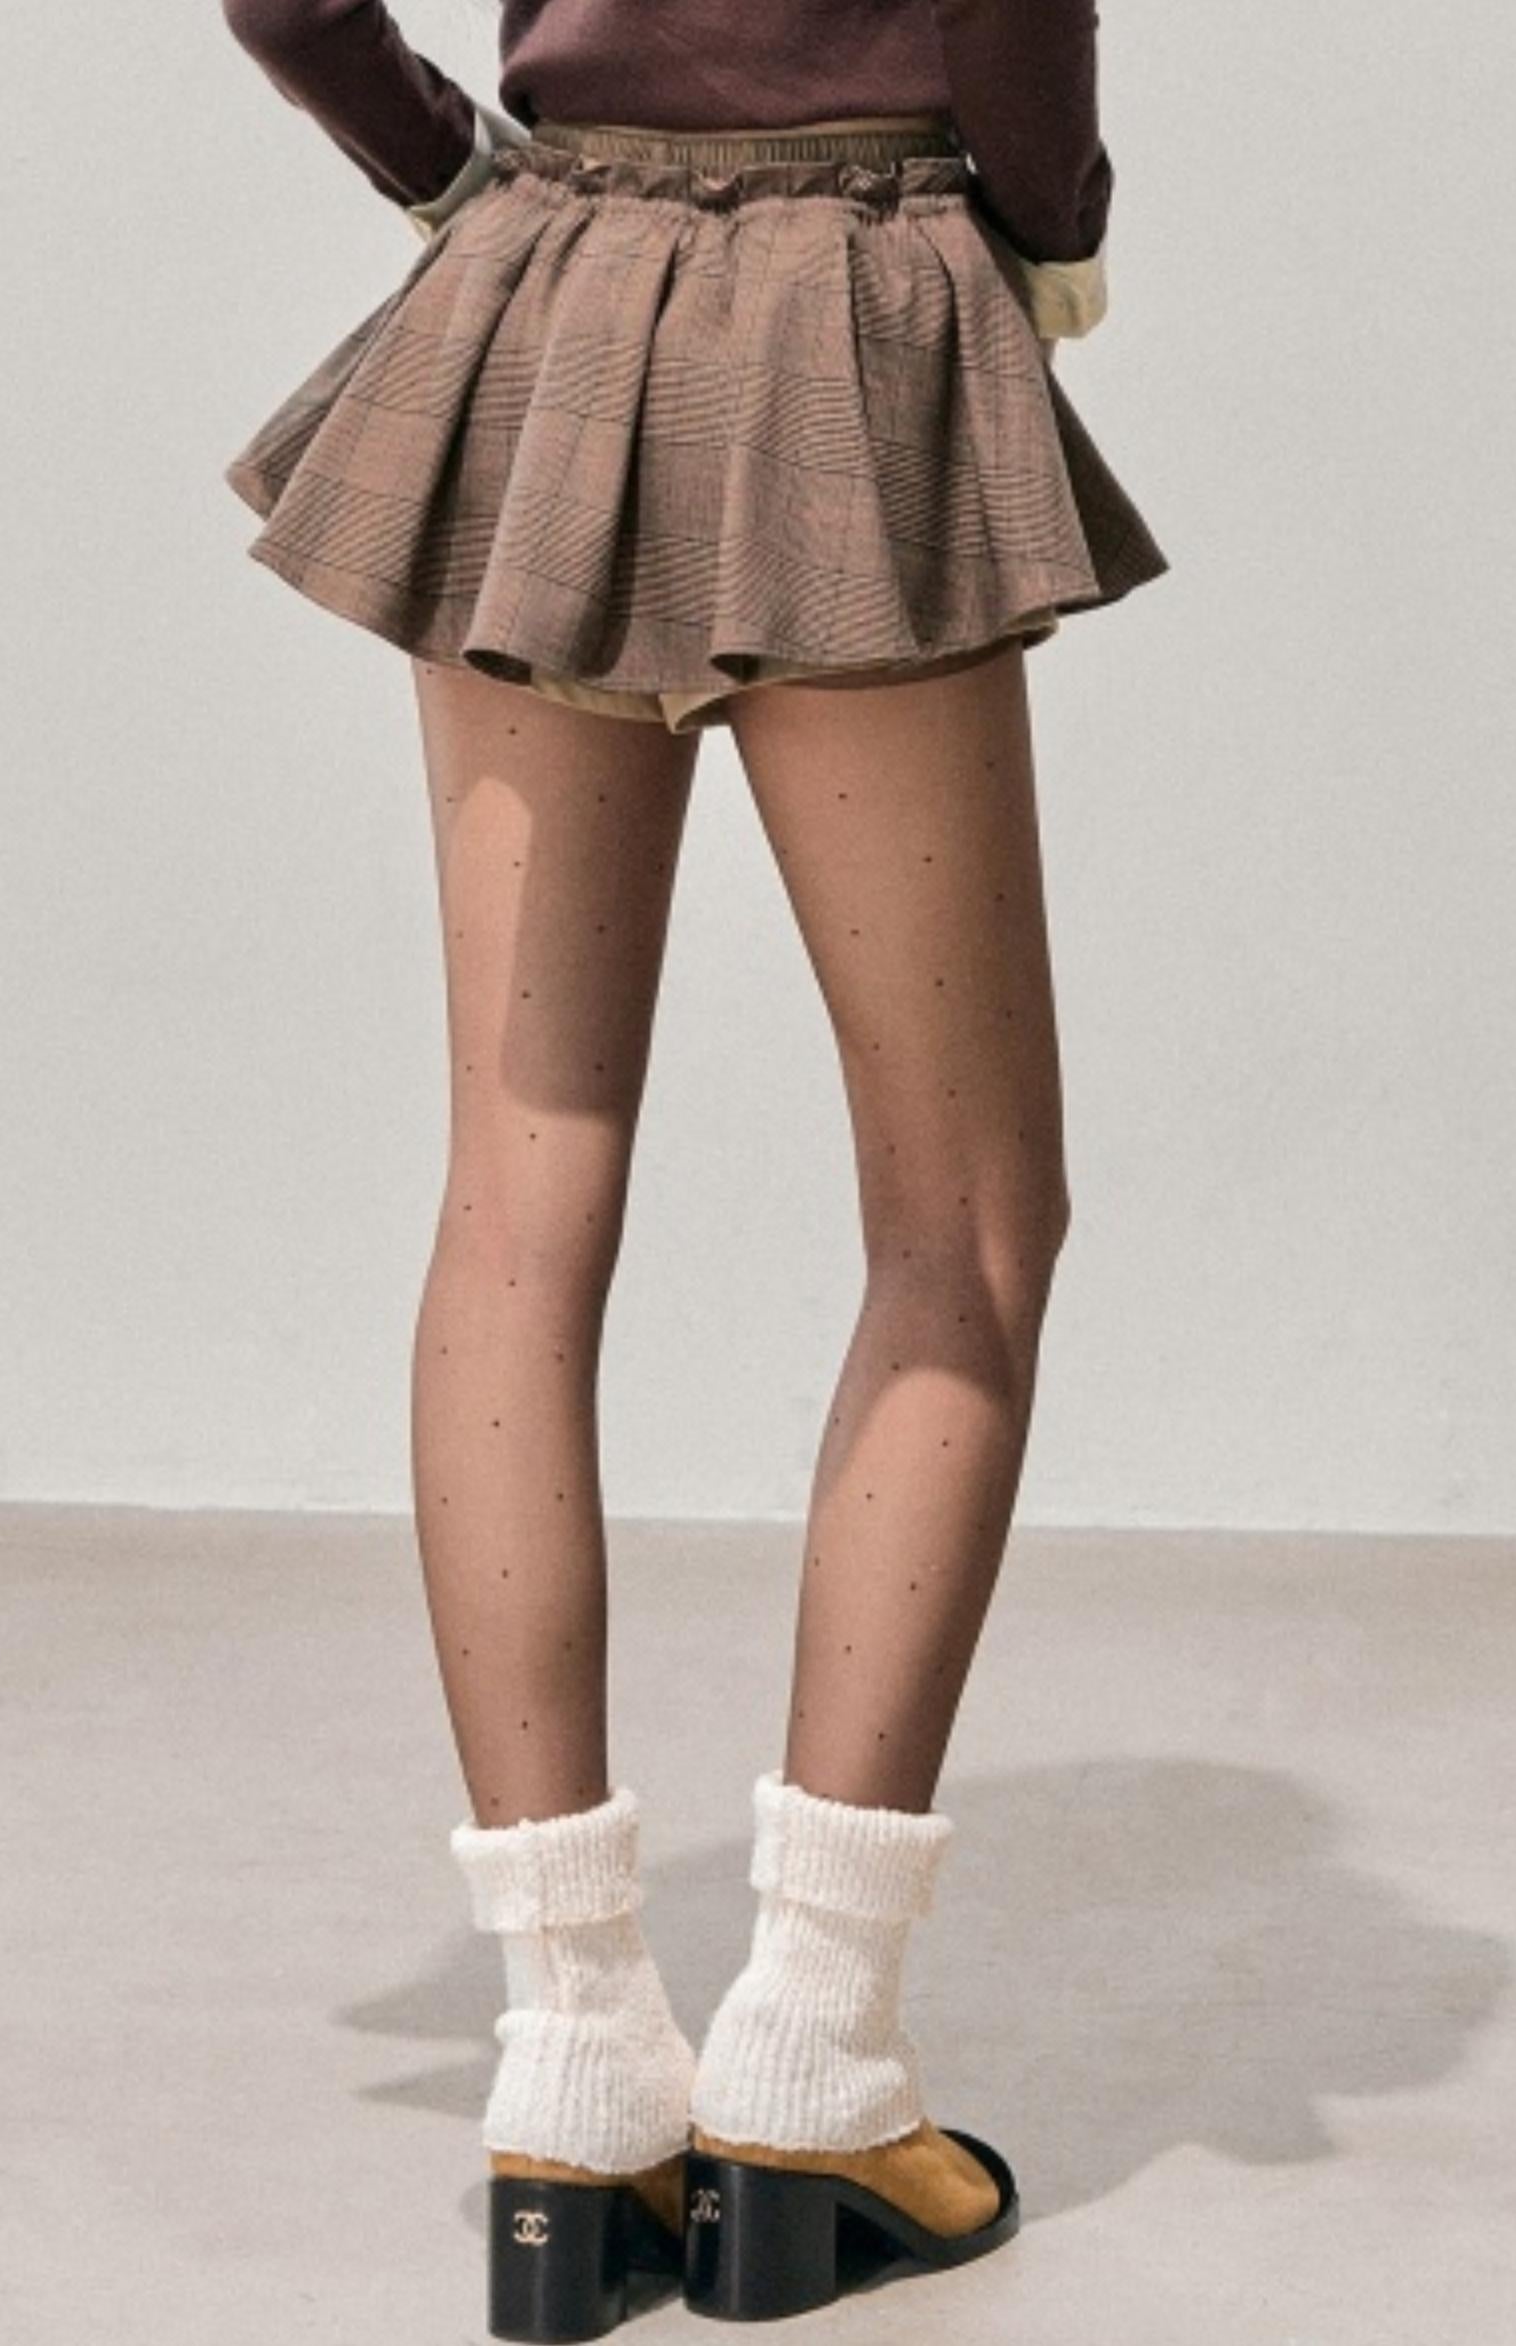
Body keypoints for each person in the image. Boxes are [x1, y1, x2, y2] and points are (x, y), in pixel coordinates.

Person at [219, 2, 1170, 2334]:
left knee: (512, 1205)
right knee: (962, 1221)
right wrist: (1045, 216)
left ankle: (566, 2062)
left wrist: (434, 161)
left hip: (542, 305)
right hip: (854, 314)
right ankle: (809, 2064)